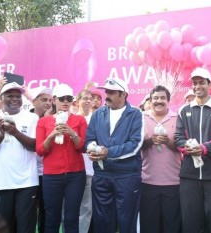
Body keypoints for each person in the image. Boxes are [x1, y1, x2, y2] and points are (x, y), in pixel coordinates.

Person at [174, 67, 211, 233]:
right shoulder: (184, 110)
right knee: (190, 221)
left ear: (209, 84)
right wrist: (188, 148)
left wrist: (203, 149)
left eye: (201, 83)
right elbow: (178, 138)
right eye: (194, 83)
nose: (197, 86)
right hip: (189, 175)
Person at [85, 77, 144, 233]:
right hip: (102, 175)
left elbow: (135, 144)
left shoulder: (136, 114)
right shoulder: (98, 114)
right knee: (102, 221)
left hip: (126, 175)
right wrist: (91, 148)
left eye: (111, 92)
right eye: (106, 91)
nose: (107, 95)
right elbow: (90, 137)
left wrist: (108, 153)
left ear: (123, 94)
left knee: (127, 221)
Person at [0, 82, 39, 233]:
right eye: (10, 95)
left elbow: (35, 146)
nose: (15, 99)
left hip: (27, 182)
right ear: (1, 98)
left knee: (25, 227)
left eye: (18, 96)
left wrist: (15, 132)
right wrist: (2, 134)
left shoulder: (32, 117)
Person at [36, 83, 87, 233]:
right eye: (62, 98)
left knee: (71, 218)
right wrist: (51, 135)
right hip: (52, 176)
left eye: (69, 99)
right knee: (52, 218)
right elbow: (40, 151)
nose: (65, 102)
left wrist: (72, 133)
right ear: (54, 100)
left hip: (75, 175)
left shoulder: (79, 120)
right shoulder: (44, 122)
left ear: (73, 101)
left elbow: (82, 147)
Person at [140, 85, 181, 233]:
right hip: (147, 180)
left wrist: (167, 141)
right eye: (155, 98)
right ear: (150, 101)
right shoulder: (141, 117)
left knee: (172, 224)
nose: (159, 101)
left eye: (163, 98)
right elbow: (136, 146)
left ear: (168, 101)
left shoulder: (177, 118)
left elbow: (182, 146)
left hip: (173, 180)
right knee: (149, 224)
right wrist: (151, 140)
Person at [30, 86, 53, 233]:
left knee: (46, 210)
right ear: (33, 101)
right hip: (29, 174)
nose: (48, 103)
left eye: (50, 100)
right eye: (44, 99)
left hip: (47, 173)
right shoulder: (25, 118)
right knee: (29, 211)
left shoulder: (54, 120)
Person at [75, 89, 94, 233]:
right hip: (74, 170)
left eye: (90, 98)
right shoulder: (72, 119)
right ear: (78, 101)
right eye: (85, 98)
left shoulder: (96, 118)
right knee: (70, 207)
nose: (88, 101)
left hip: (92, 171)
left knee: (86, 208)